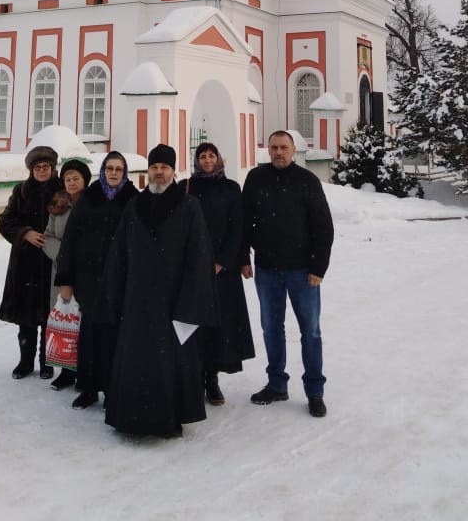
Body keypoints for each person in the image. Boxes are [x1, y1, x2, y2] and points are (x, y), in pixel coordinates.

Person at [100, 144, 218, 438]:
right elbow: (119, 254)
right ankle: (130, 417)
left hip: (172, 300)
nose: (159, 173)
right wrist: (113, 293)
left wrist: (190, 301)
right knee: (135, 359)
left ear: (173, 171)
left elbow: (199, 257)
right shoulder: (135, 206)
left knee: (170, 363)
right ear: (148, 171)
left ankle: (169, 418)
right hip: (137, 299)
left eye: (164, 168)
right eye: (154, 168)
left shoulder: (189, 206)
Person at [241, 130, 334, 418]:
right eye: (273, 147)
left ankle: (315, 391)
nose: (278, 152)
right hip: (267, 270)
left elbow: (323, 227)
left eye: (283, 147)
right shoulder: (257, 179)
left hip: (302, 272)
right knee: (271, 329)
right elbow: (244, 221)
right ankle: (277, 383)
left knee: (311, 331)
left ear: (294, 150)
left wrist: (318, 268)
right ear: (267, 150)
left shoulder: (307, 181)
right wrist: (244, 257)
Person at [55, 151, 138, 409]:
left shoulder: (132, 200)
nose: (113, 173)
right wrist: (66, 280)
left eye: (118, 169)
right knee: (89, 336)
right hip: (88, 280)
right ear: (103, 171)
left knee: (113, 336)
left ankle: (113, 388)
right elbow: (70, 239)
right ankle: (88, 387)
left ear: (124, 173)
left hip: (119, 280)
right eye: (109, 168)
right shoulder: (89, 198)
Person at [180, 142, 254, 406]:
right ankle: (192, 378)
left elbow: (238, 227)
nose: (208, 160)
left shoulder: (231, 188)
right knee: (192, 325)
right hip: (191, 269)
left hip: (222, 270)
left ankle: (211, 379)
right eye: (203, 156)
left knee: (217, 327)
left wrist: (223, 261)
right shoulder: (186, 187)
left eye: (212, 155)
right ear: (196, 160)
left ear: (219, 158)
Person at [0, 145, 62, 379]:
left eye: (46, 167)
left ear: (53, 169)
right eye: (38, 167)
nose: (42, 171)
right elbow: (5, 221)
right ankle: (25, 361)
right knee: (25, 317)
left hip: (50, 263)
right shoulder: (21, 192)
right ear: (31, 170)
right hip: (25, 262)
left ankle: (47, 363)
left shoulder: (62, 192)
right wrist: (25, 233)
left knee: (48, 314)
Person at [42, 158, 92, 391]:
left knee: (82, 323)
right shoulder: (58, 206)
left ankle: (84, 370)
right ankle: (65, 371)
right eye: (68, 179)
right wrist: (63, 255)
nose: (71, 183)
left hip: (85, 273)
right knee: (64, 322)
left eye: (76, 179)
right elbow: (47, 236)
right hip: (61, 272)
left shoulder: (92, 204)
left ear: (85, 180)